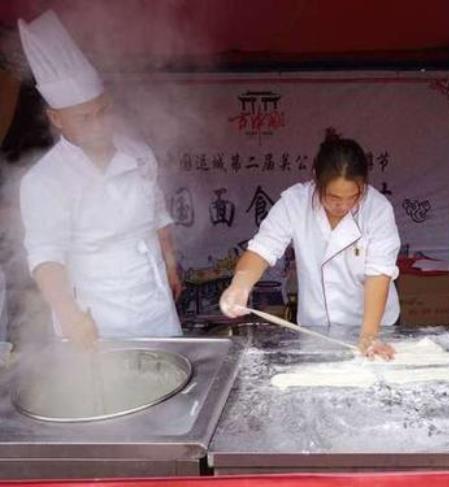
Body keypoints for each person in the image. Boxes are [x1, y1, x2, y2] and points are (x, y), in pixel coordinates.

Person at [18, 11, 182, 346]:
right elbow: (46, 256)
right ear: (56, 119)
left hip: (153, 303)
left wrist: (169, 262)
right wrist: (68, 315)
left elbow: (158, 214)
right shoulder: (45, 181)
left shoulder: (138, 154)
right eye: (84, 117)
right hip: (93, 315)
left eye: (103, 111)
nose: (98, 124)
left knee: (167, 377)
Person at [220, 130, 400, 359]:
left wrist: (369, 335)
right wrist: (240, 285)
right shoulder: (294, 203)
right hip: (316, 329)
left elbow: (379, 274)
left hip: (374, 326)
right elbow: (261, 250)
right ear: (316, 179)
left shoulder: (378, 209)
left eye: (353, 196)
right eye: (334, 197)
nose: (343, 206)